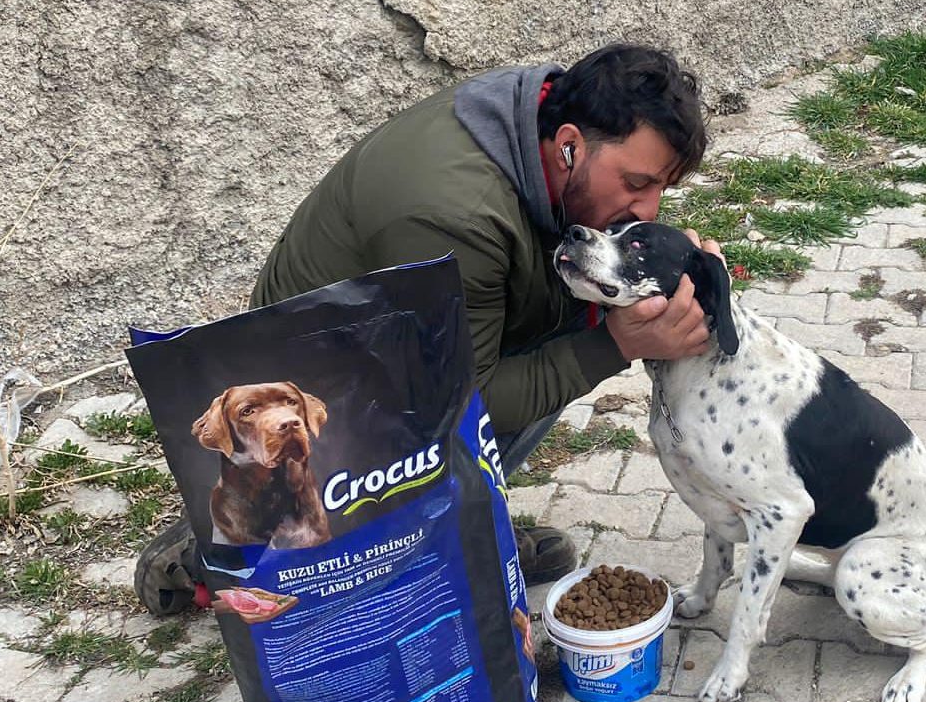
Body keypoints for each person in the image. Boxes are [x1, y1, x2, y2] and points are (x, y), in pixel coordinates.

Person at [135, 43, 717, 616]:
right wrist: (620, 343)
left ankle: (452, 529)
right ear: (567, 147)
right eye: (638, 184)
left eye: (661, 189)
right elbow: (467, 397)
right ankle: (216, 548)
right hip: (328, 391)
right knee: (562, 355)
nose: (649, 208)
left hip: (389, 352)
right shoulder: (458, 214)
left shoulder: (531, 121)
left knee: (561, 338)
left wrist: (637, 274)